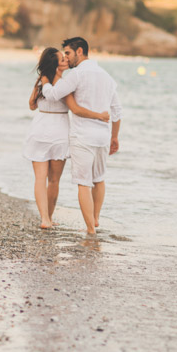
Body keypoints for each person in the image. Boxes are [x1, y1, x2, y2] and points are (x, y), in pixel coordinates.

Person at [41, 37, 122, 235]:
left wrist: (44, 81)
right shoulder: (106, 76)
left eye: (68, 53)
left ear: (79, 51)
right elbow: (117, 111)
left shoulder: (77, 75)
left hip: (83, 136)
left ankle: (89, 229)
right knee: (99, 179)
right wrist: (114, 137)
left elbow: (52, 95)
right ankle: (95, 220)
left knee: (83, 183)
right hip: (102, 136)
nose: (66, 58)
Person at [24, 47, 110, 229]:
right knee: (54, 180)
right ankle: (49, 217)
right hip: (59, 133)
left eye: (65, 58)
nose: (65, 61)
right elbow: (76, 109)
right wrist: (100, 115)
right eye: (61, 59)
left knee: (40, 178)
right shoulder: (65, 85)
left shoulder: (41, 82)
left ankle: (44, 219)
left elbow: (32, 105)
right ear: (55, 65)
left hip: (39, 129)